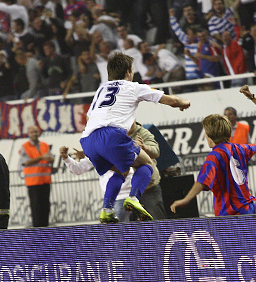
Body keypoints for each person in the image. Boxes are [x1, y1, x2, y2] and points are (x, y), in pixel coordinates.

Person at [79, 52, 190, 224]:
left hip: (88, 139)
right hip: (111, 136)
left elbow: (89, 117)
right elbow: (171, 101)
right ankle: (134, 199)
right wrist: (183, 102)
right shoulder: (134, 87)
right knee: (146, 164)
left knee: (120, 171)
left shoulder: (101, 89)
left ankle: (106, 209)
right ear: (129, 72)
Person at [170, 114, 256, 216]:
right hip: (250, 209)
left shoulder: (214, 156)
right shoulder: (239, 149)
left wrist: (186, 200)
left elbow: (202, 181)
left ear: (209, 135)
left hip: (231, 213)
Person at [19, 126, 54, 227]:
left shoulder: (45, 145)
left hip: (45, 180)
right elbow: (25, 162)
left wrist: (50, 159)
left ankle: (45, 228)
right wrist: (41, 157)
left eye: (35, 132)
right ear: (28, 134)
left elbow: (51, 157)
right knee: (36, 208)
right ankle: (37, 230)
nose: (34, 134)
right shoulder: (25, 146)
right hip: (33, 182)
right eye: (31, 132)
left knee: (46, 207)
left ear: (39, 133)